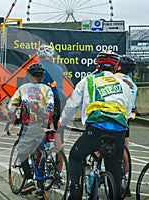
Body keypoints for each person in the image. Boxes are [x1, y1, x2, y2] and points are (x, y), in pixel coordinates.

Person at [59, 50, 132, 200]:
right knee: (114, 168)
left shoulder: (89, 80)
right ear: (116, 67)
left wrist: (62, 122)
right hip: (119, 131)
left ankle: (75, 194)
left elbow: (71, 105)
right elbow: (128, 111)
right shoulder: (124, 86)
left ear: (97, 66)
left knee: (75, 156)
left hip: (96, 129)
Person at [7, 63, 54, 198]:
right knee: (40, 151)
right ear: (42, 77)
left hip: (29, 125)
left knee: (22, 151)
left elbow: (12, 105)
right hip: (45, 124)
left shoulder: (23, 88)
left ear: (29, 76)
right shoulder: (47, 89)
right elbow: (51, 105)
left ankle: (29, 180)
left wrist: (13, 117)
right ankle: (41, 187)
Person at [115, 55, 138, 197]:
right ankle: (126, 181)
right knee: (124, 150)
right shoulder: (132, 84)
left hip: (110, 116)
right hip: (125, 119)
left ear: (119, 66)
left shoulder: (113, 79)